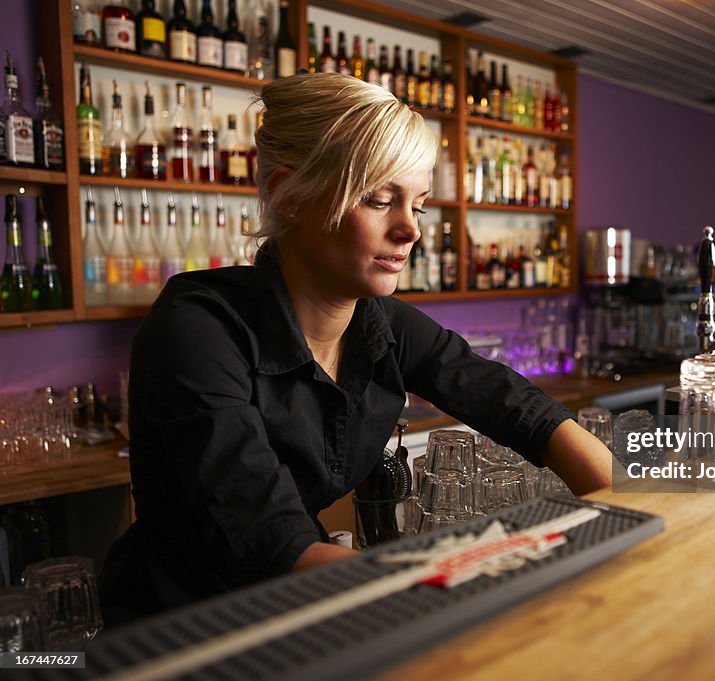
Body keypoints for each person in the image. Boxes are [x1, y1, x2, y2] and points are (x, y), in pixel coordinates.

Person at [98, 74, 612, 625]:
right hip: (182, 632)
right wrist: (460, 581)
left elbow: (515, 406)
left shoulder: (379, 323)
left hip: (297, 613)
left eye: (418, 204)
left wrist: (624, 502)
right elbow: (268, 540)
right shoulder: (196, 330)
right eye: (379, 199)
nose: (410, 230)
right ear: (290, 196)